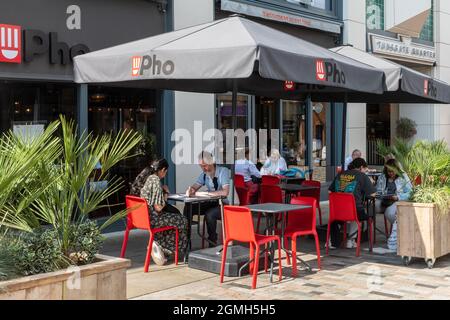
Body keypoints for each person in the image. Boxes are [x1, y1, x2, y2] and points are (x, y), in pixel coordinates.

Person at [139, 159, 188, 266]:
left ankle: (162, 247)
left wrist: (162, 190)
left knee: (173, 217)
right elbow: (159, 207)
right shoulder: (156, 180)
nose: (165, 174)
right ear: (162, 170)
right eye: (165, 172)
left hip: (145, 218)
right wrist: (165, 194)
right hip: (154, 219)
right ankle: (166, 249)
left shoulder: (147, 178)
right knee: (183, 220)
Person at [328, 158, 376, 249]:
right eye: (365, 169)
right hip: (353, 212)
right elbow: (372, 194)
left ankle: (331, 241)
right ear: (361, 167)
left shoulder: (341, 174)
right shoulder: (362, 176)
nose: (365, 171)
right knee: (360, 212)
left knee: (353, 210)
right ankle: (351, 240)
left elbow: (330, 192)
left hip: (337, 212)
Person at [185, 151, 230, 247]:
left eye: (204, 165)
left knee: (210, 214)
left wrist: (207, 193)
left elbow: (225, 192)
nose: (203, 168)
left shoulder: (223, 171)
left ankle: (212, 242)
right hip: (211, 203)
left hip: (223, 204)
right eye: (201, 166)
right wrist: (191, 190)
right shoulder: (204, 174)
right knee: (189, 207)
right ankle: (186, 240)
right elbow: (195, 187)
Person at [375, 159, 412, 250]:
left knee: (390, 213)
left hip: (396, 201)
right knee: (371, 208)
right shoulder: (383, 176)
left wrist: (399, 197)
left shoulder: (403, 176)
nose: (390, 173)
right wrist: (379, 193)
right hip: (383, 200)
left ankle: (400, 232)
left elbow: (411, 192)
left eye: (392, 171)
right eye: (388, 171)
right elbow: (377, 188)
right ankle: (366, 235)